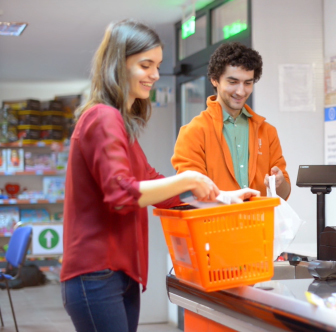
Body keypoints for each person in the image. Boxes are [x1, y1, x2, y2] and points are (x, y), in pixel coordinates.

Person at [60, 20, 258, 332]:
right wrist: (190, 179)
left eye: (157, 65)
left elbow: (153, 182)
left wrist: (221, 196)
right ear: (117, 65)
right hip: (97, 273)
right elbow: (121, 194)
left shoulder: (120, 123)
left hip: (118, 273)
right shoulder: (102, 117)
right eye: (145, 65)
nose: (154, 75)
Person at [171, 42, 291, 200]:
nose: (241, 91)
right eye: (233, 82)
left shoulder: (267, 131)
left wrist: (279, 183)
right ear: (215, 80)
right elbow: (191, 191)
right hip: (215, 223)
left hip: (260, 223)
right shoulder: (194, 131)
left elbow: (284, 193)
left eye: (248, 83)